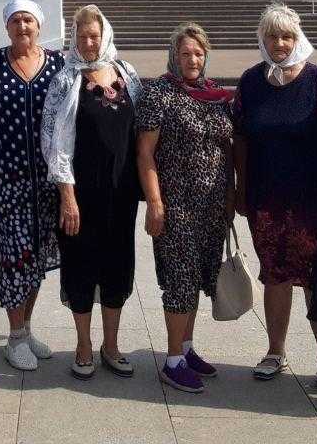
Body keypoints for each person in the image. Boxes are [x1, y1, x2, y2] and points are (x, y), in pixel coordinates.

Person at [233, 3, 317, 390]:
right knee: (275, 277)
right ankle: (275, 351)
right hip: (268, 199)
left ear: (297, 38)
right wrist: (241, 188)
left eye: (287, 36)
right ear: (262, 39)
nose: (280, 43)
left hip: (315, 200)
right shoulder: (251, 81)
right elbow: (242, 140)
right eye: (273, 36)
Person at [40, 4, 143, 379]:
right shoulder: (65, 79)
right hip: (80, 194)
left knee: (118, 264)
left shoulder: (126, 73)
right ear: (73, 37)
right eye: (82, 35)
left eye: (94, 35)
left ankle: (110, 345)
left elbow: (143, 131)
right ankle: (83, 344)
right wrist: (67, 195)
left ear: (105, 35)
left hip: (122, 192)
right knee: (81, 265)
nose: (88, 42)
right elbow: (53, 141)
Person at [136, 22, 236, 394]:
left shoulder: (214, 95)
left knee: (198, 278)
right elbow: (144, 152)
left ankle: (188, 347)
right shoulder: (159, 94)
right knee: (179, 279)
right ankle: (173, 359)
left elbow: (227, 147)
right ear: (173, 57)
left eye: (198, 53)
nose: (192, 59)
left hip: (212, 206)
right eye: (185, 53)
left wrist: (231, 195)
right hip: (177, 205)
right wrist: (155, 202)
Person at [0, 0, 66, 371]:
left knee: (37, 260)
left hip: (46, 182)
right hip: (5, 181)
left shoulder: (58, 64)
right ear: (6, 27)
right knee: (14, 257)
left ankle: (25, 328)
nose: (22, 27)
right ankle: (14, 337)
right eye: (15, 21)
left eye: (28, 21)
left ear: (39, 26)